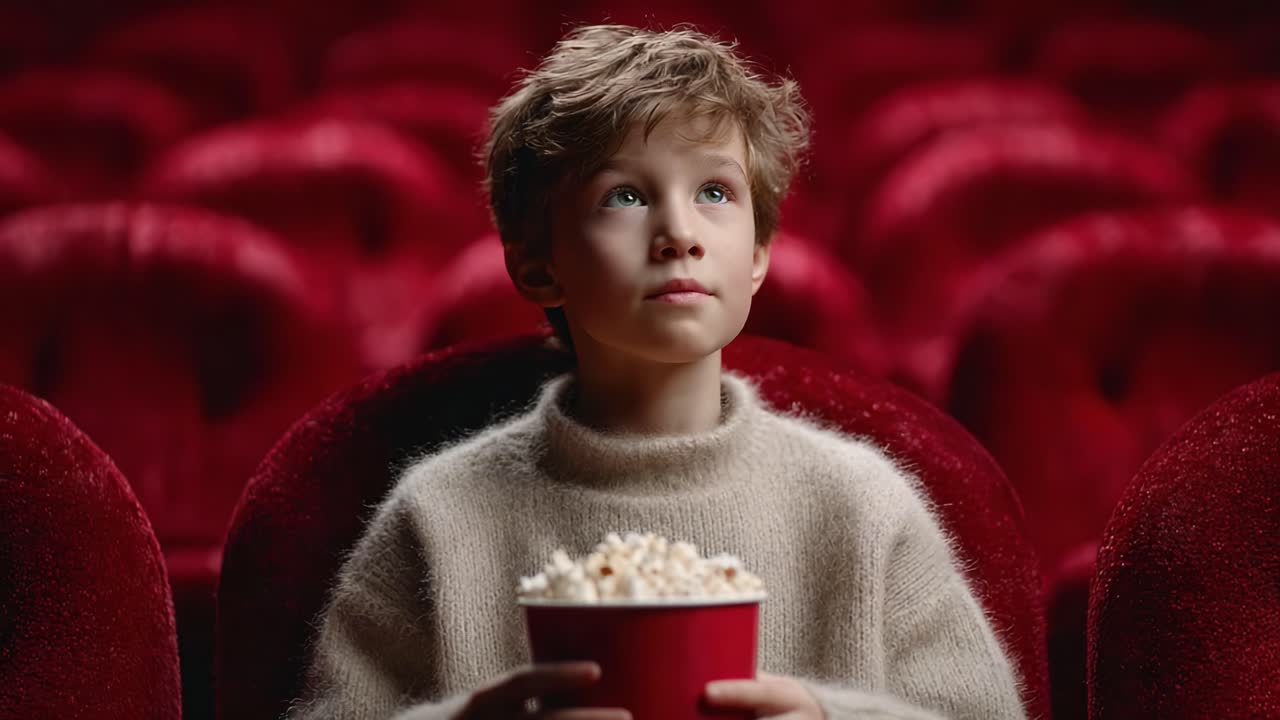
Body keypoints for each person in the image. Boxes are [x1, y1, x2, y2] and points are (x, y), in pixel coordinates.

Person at [287, 23, 1026, 720]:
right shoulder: (437, 517)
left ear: (759, 255)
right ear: (538, 264)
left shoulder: (862, 508)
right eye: (626, 196)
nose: (679, 233)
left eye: (715, 193)